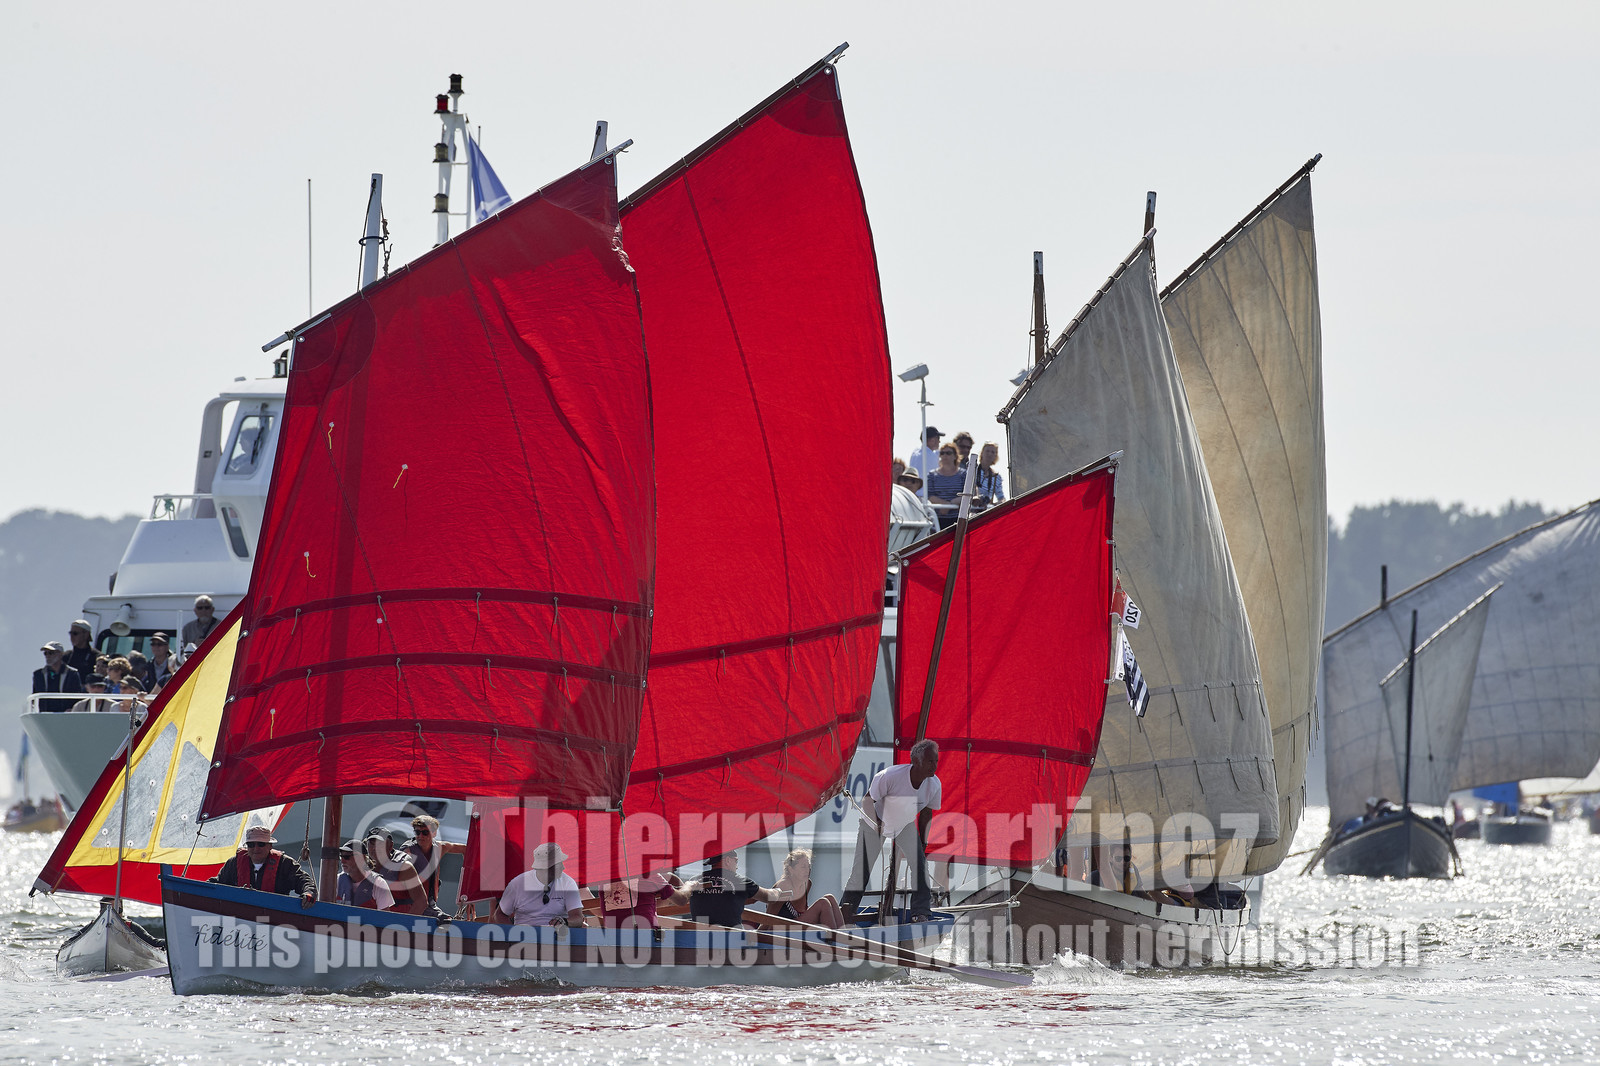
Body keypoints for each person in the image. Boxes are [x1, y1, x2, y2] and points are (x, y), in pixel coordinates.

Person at [841, 738, 941, 921]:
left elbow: (926, 814)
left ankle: (920, 912)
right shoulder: (889, 776)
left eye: (936, 760)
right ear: (917, 761)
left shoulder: (934, 785)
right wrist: (877, 824)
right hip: (873, 823)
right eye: (930, 761)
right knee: (861, 871)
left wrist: (923, 842)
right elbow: (867, 800)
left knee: (920, 865)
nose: (934, 765)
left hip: (904, 825)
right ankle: (845, 913)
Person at [210, 825, 315, 906]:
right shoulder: (233, 864)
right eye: (251, 845)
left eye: (261, 844)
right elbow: (216, 883)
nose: (256, 849)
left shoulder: (285, 864)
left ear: (270, 846)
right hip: (239, 917)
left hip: (273, 918)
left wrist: (309, 894)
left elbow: (304, 881)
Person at [493, 842, 587, 927]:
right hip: (525, 939)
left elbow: (578, 918)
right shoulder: (517, 884)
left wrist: (565, 922)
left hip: (558, 937)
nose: (563, 867)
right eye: (557, 864)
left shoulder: (568, 883)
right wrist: (513, 934)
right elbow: (499, 915)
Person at [687, 851, 779, 927]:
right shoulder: (740, 881)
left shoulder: (694, 880)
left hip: (699, 937)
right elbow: (769, 897)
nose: (737, 866)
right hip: (730, 938)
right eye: (736, 861)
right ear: (727, 860)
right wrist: (778, 890)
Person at [402, 814, 466, 911]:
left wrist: (467, 892)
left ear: (434, 833)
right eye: (417, 832)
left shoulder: (441, 847)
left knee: (446, 923)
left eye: (425, 832)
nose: (420, 836)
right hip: (410, 904)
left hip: (430, 904)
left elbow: (466, 849)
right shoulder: (408, 852)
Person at [767, 848, 844, 928]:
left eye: (808, 866)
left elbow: (804, 913)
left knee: (830, 897)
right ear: (791, 869)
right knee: (823, 903)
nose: (807, 870)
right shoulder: (783, 886)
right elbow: (768, 918)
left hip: (799, 924)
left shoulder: (807, 884)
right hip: (783, 929)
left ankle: (842, 933)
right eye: (803, 867)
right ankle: (835, 937)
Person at [365, 830, 431, 916]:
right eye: (372, 844)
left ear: (390, 846)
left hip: (396, 923)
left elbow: (421, 902)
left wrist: (404, 926)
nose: (375, 848)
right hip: (368, 922)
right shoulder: (361, 866)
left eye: (380, 844)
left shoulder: (404, 867)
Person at [598, 870, 687, 928]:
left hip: (614, 941)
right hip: (647, 937)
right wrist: (690, 885)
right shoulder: (649, 874)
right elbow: (682, 900)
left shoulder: (603, 878)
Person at [335, 840, 396, 910]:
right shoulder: (337, 880)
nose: (342, 861)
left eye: (346, 857)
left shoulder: (379, 884)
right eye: (341, 857)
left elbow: (385, 918)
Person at [33, 641, 83, 712]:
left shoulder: (72, 674)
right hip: (45, 716)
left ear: (60, 654)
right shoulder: (38, 675)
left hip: (65, 717)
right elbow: (35, 696)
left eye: (50, 653)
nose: (47, 656)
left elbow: (77, 696)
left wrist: (72, 710)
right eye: (45, 653)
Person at [925, 446, 966, 530]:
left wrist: (950, 504)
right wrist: (945, 505)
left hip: (958, 519)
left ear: (955, 456)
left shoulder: (963, 474)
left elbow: (967, 495)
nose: (945, 455)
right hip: (937, 520)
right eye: (942, 453)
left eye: (948, 453)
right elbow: (929, 495)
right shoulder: (932, 475)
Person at [972, 443, 1006, 513]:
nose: (989, 454)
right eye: (987, 451)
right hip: (970, 509)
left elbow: (1001, 497)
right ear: (982, 453)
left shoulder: (996, 477)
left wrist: (998, 504)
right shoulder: (972, 470)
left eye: (993, 452)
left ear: (995, 456)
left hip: (985, 511)